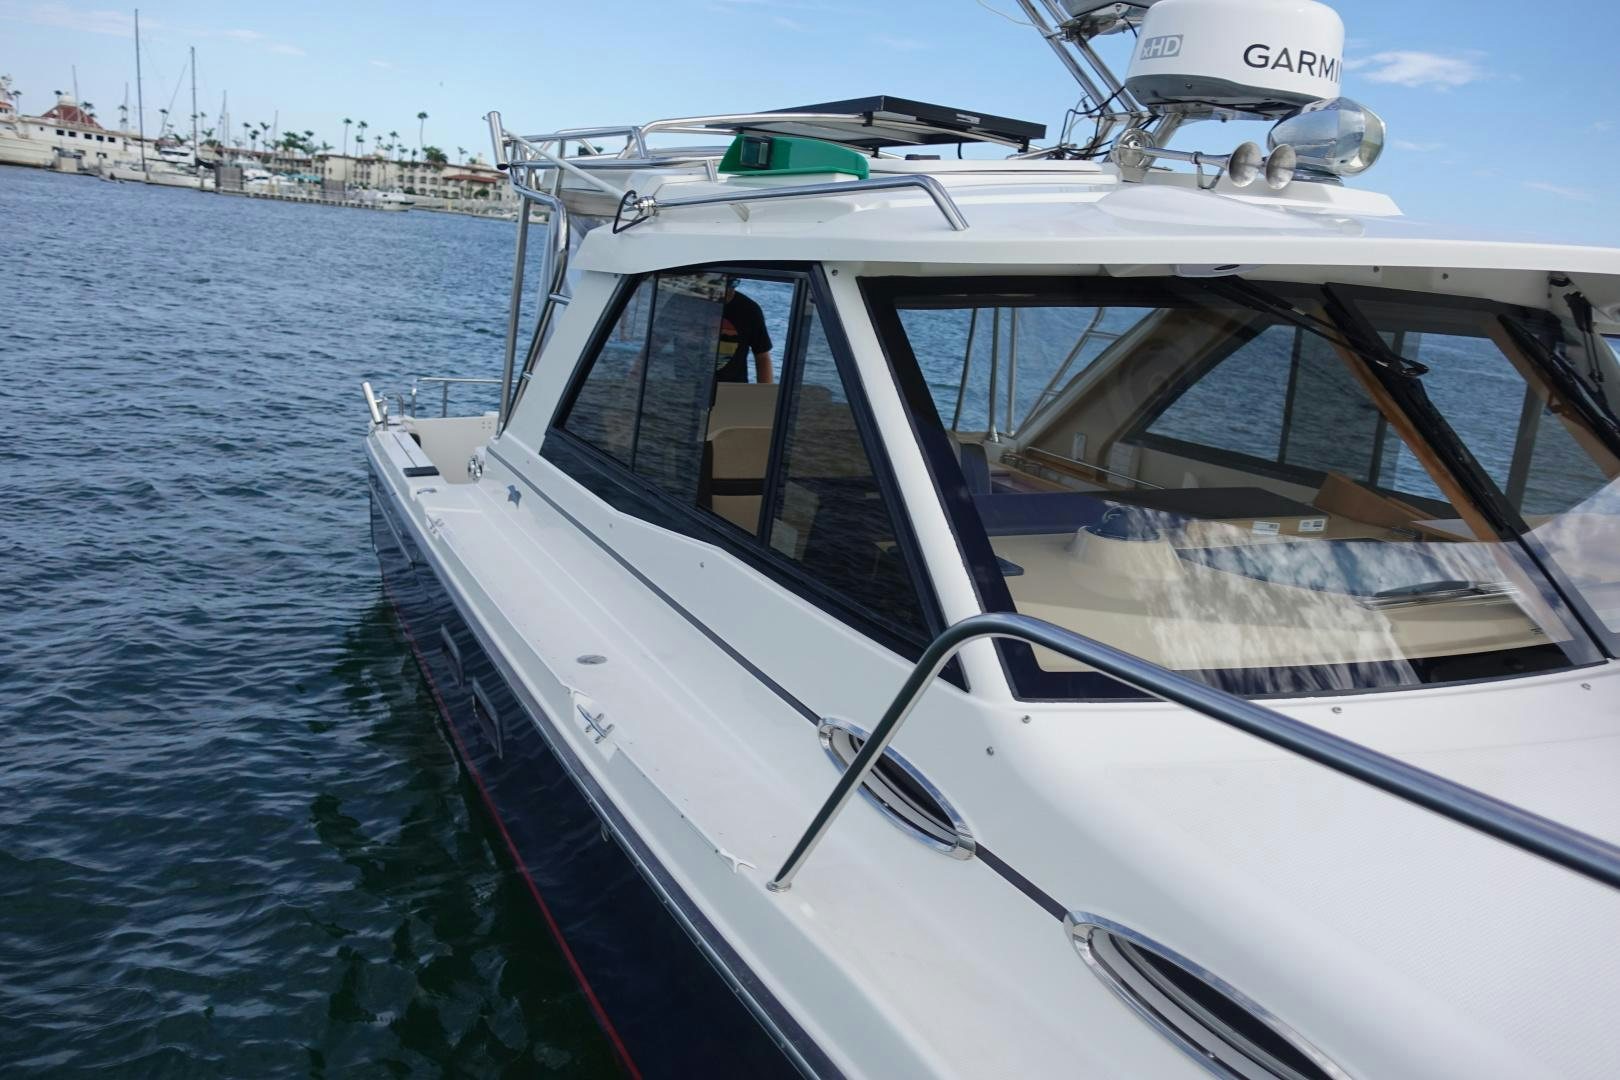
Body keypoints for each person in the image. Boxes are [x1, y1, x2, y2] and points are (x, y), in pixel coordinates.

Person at [713, 278, 774, 384]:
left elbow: (762, 357)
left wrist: (765, 398)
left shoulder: (749, 310)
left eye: (732, 285)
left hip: (732, 391)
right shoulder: (686, 301)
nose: (727, 291)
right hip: (685, 386)